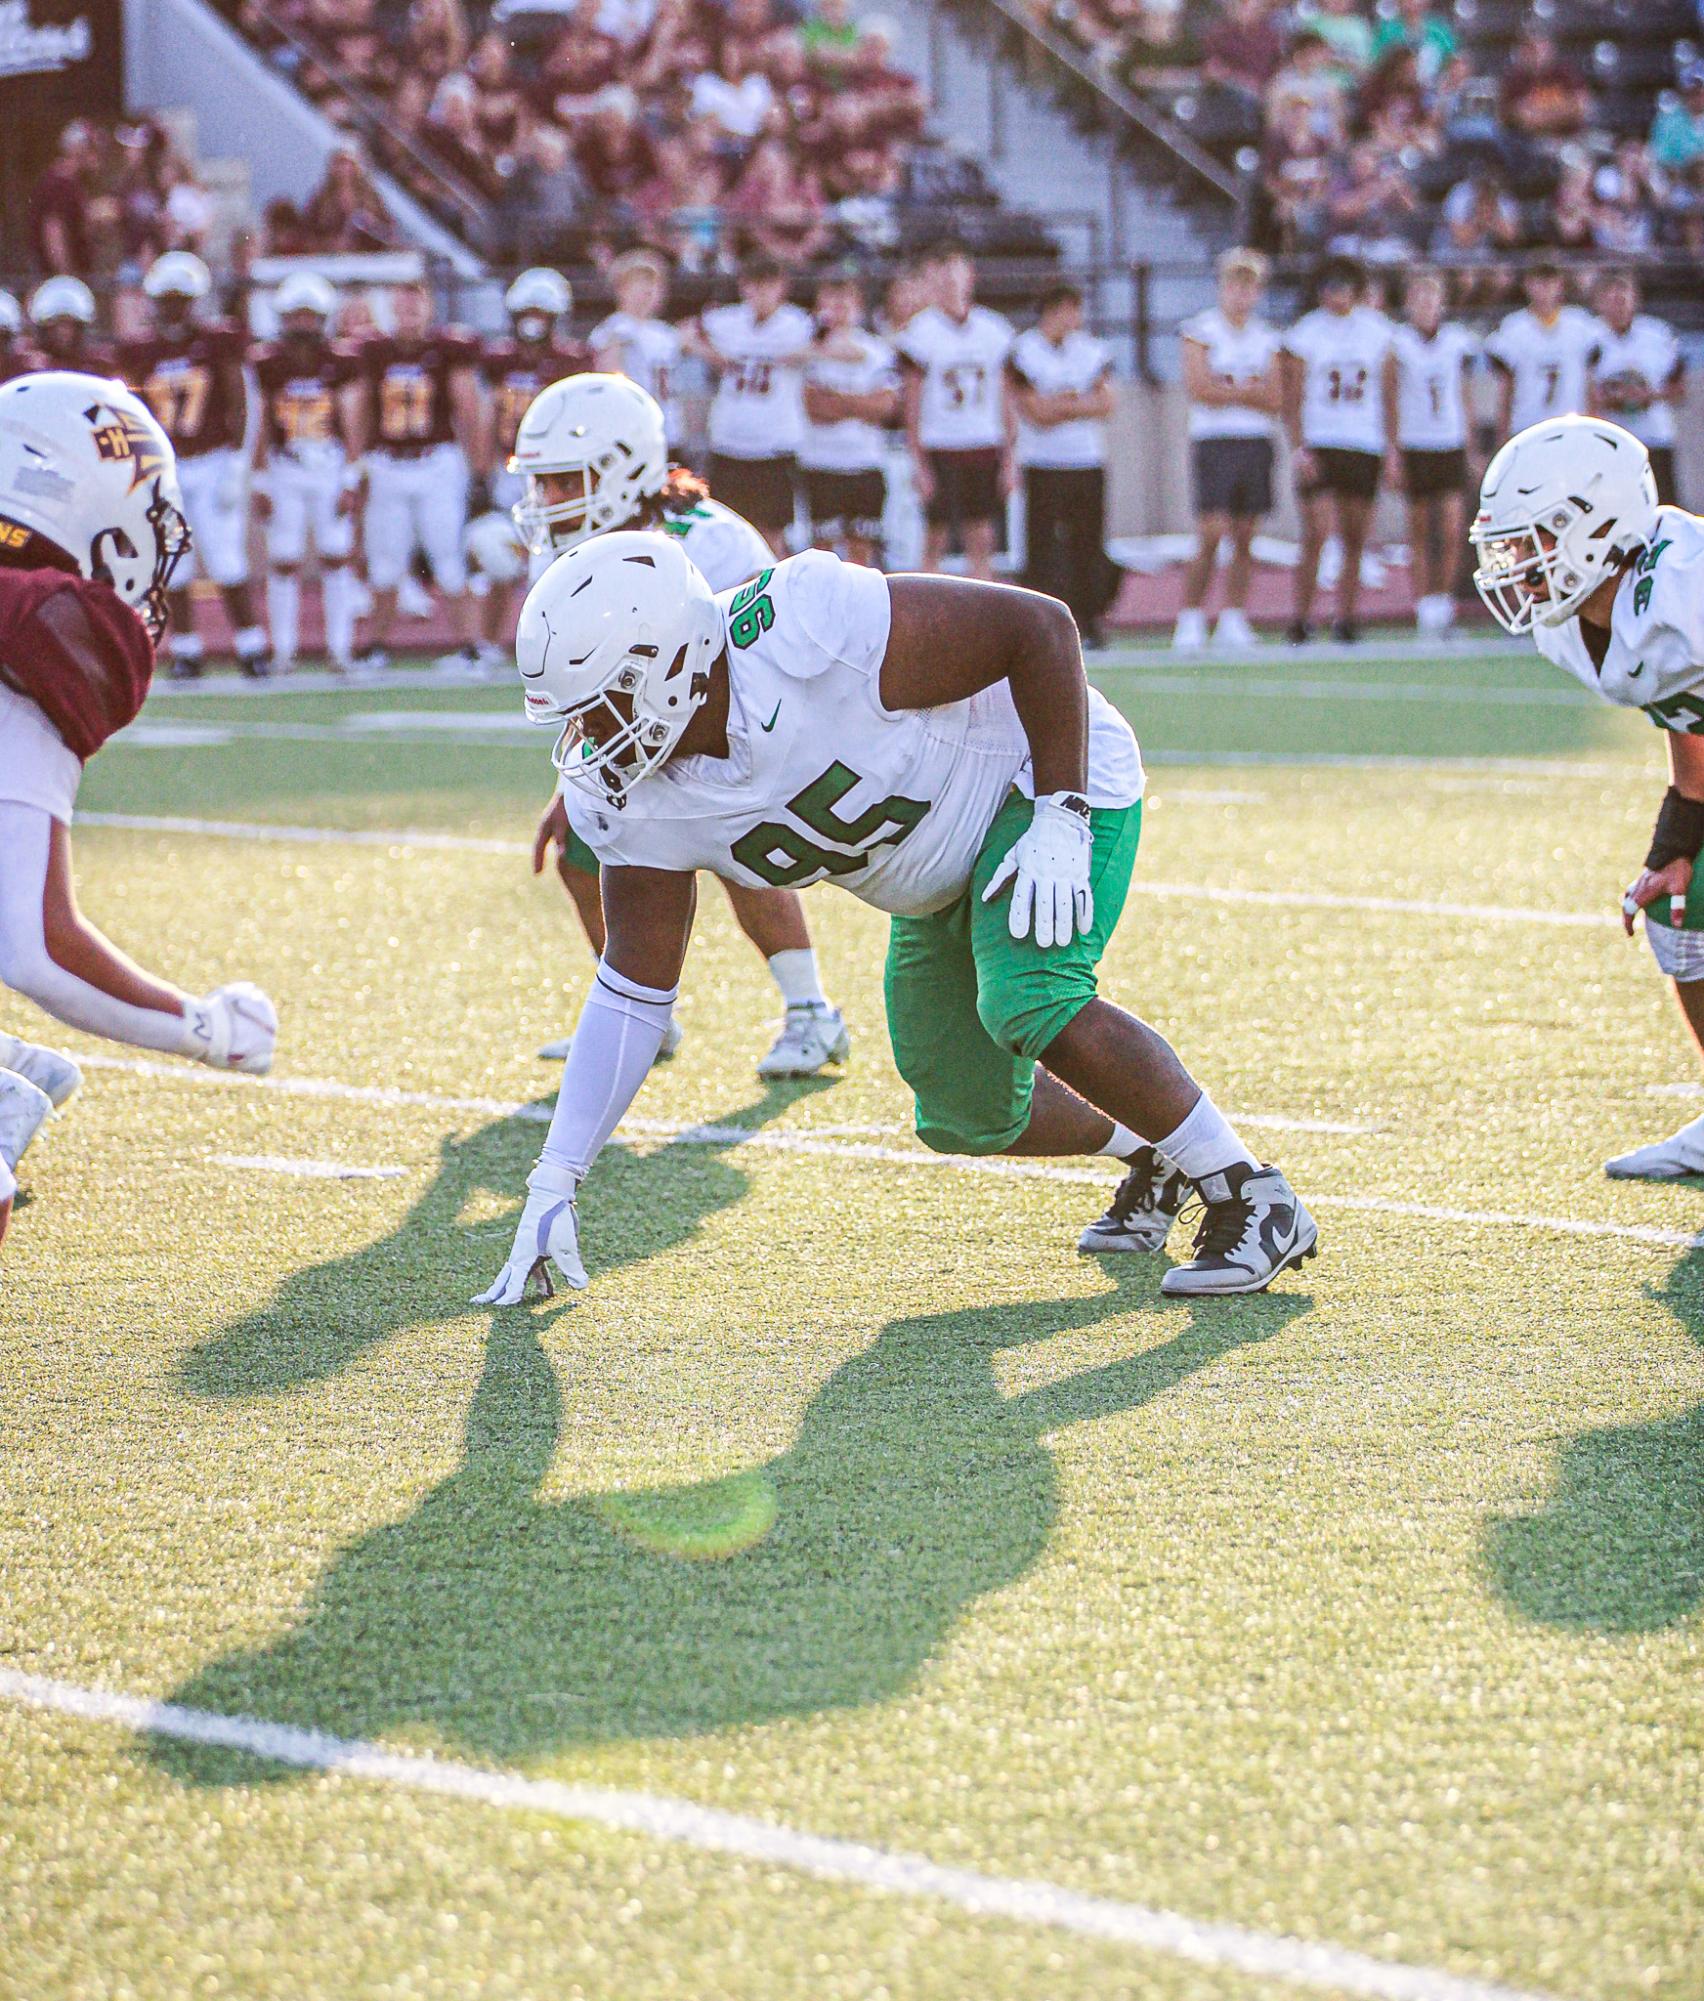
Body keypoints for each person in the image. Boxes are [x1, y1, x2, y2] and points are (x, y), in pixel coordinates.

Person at [474, 535, 1319, 1306]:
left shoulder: (804, 629)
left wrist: (1062, 810)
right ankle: (1157, 1152)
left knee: (1030, 998)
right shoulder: (632, 794)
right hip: (930, 866)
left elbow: (1039, 628)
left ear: (670, 665)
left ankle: (1252, 1192)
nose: (589, 738)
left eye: (603, 704)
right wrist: (556, 1177)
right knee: (964, 1112)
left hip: (1043, 774)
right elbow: (631, 994)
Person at [0, 372, 277, 1243]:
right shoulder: (33, 628)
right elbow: (40, 947)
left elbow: (31, 939)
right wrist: (213, 1029)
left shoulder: (28, 628)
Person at [510, 372, 852, 1078]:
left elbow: (755, 665)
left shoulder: (715, 542)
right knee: (579, 845)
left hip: (735, 730)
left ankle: (811, 1012)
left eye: (562, 480)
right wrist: (568, 786)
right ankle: (641, 1013)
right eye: (541, 484)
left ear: (621, 466)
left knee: (737, 849)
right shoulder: (572, 548)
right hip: (637, 736)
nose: (547, 502)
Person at [1470, 415, 1704, 1176]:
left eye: (1532, 540)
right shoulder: (1574, 624)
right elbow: (1685, 705)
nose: (1515, 564)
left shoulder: (1687, 582)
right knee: (1683, 916)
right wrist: (1679, 839)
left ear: (1597, 528)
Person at [120, 251, 270, 680]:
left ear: (194, 300)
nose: (173, 308)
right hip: (164, 468)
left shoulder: (216, 341)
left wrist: (239, 463)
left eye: (180, 299)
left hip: (213, 460)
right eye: (166, 299)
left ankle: (251, 646)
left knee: (226, 558)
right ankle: (186, 650)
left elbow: (241, 401)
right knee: (173, 563)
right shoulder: (140, 350)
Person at [349, 279, 485, 675]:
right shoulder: (374, 352)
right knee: (385, 563)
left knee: (448, 559)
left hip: (436, 463)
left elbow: (468, 409)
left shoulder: (446, 351)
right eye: (402, 304)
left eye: (416, 304)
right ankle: (375, 647)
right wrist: (356, 465)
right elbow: (360, 412)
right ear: (391, 308)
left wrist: (478, 471)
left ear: (428, 309)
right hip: (388, 462)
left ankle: (470, 647)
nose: (409, 312)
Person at [248, 270, 364, 677]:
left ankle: (340, 649)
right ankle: (284, 652)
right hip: (285, 467)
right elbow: (260, 422)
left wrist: (351, 477)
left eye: (309, 316)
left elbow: (352, 419)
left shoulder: (340, 362)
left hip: (329, 465)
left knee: (336, 556)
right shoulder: (268, 363)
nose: (302, 325)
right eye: (295, 316)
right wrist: (259, 479)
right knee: (282, 559)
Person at [473, 267, 590, 653]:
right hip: (512, 468)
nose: (533, 322)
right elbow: (488, 414)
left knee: (559, 560)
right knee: (498, 558)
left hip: (557, 473)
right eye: (527, 313)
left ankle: (559, 644)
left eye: (541, 313)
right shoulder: (499, 360)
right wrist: (482, 470)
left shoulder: (572, 359)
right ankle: (489, 643)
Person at [1280, 255, 1393, 645]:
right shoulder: (1307, 332)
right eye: (1330, 286)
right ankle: (1301, 617)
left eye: (1344, 286)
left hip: (1363, 441)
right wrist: (1298, 447)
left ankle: (1346, 617)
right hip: (1321, 440)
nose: (1337, 295)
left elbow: (1390, 395)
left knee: (1355, 535)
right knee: (1316, 532)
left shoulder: (1377, 332)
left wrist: (1391, 448)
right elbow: (1291, 398)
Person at [1175, 247, 1283, 651]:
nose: (1242, 294)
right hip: (1214, 441)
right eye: (1235, 284)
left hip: (1254, 440)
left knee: (1245, 533)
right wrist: (1246, 389)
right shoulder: (1201, 330)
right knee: (1211, 531)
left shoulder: (1267, 336)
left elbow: (1275, 396)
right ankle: (1190, 616)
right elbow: (1200, 388)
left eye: (1250, 286)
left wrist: (1231, 390)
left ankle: (1234, 615)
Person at [897, 242, 1015, 582]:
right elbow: (912, 404)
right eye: (943, 277)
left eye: (956, 275)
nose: (951, 285)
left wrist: (1010, 458)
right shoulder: (921, 332)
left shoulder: (993, 329)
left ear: (970, 277)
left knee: (982, 537)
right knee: (935, 537)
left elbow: (1005, 400)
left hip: (981, 441)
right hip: (940, 444)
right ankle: (928, 621)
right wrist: (918, 461)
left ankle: (983, 618)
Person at [1008, 283, 1117, 652]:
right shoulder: (1025, 350)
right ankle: (1044, 622)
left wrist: (1061, 405)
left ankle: (1090, 619)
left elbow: (1106, 403)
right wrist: (1075, 403)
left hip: (1086, 460)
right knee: (1043, 546)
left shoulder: (1091, 350)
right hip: (1042, 462)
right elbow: (1034, 412)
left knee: (1088, 542)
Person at [688, 255, 815, 557]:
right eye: (755, 285)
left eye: (768, 285)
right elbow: (686, 334)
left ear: (781, 287)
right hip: (730, 442)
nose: (761, 294)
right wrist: (714, 356)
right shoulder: (727, 321)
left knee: (773, 533)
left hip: (774, 444)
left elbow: (827, 344)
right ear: (744, 287)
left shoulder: (796, 323)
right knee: (725, 532)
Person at [1384, 266, 1476, 635]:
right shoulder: (1398, 342)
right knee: (1420, 528)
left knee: (1454, 527)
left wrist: (1469, 447)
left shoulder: (1456, 341)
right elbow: (1389, 400)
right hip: (1415, 443)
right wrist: (1392, 450)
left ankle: (1444, 601)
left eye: (1432, 296)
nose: (1425, 304)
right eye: (1418, 296)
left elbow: (1463, 396)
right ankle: (1424, 605)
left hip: (1448, 441)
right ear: (1408, 303)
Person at [799, 266, 898, 571]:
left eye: (846, 302)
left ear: (859, 307)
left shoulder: (877, 350)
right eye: (831, 301)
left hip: (865, 462)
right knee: (821, 554)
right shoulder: (807, 351)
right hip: (821, 462)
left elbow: (885, 407)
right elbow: (815, 409)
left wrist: (838, 399)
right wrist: (860, 404)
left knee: (861, 552)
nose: (839, 311)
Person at [1587, 269, 1685, 507]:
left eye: (1622, 298)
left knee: (1662, 508)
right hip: (1610, 440)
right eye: (1611, 300)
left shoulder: (1658, 334)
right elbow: (1583, 389)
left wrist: (1647, 395)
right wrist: (1607, 397)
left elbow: (1679, 389)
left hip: (1654, 437)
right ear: (1598, 302)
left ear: (1635, 299)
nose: (1618, 306)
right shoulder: (1588, 335)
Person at [1486, 262, 1601, 438]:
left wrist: (1594, 425)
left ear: (1560, 284)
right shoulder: (1513, 327)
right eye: (1539, 282)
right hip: (1527, 425)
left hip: (1571, 425)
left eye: (1550, 282)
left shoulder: (1580, 324)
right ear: (1527, 285)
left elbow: (1590, 383)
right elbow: (1505, 387)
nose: (1545, 289)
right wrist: (1502, 434)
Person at [589, 248, 683, 444]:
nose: (647, 290)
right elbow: (609, 379)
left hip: (667, 430)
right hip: (631, 434)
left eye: (653, 283)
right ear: (621, 288)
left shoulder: (664, 332)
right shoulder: (614, 328)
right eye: (638, 282)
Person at [27, 279, 115, 376]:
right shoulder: (28, 367)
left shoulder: (97, 366)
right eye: (56, 326)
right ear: (43, 329)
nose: (63, 332)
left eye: (70, 325)